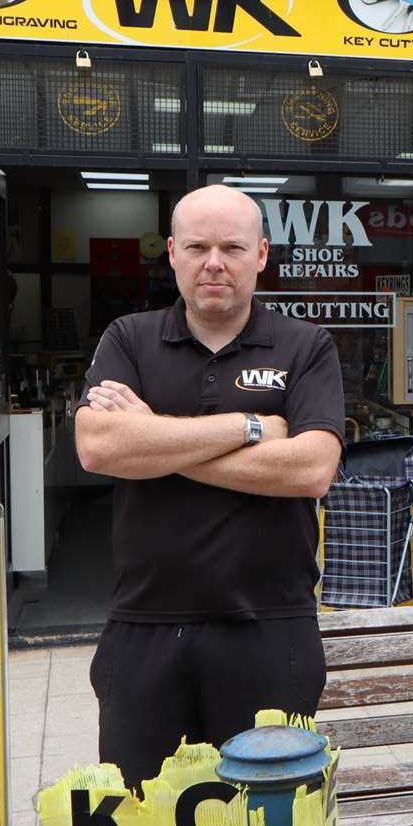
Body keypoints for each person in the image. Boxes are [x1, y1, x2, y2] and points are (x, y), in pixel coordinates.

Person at [75, 184, 343, 790]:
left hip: (270, 631)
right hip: (143, 629)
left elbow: (310, 470)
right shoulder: (129, 339)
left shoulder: (305, 347)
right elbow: (98, 447)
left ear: (262, 255)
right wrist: (249, 428)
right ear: (171, 252)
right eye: (197, 246)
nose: (213, 262)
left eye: (231, 247)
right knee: (142, 824)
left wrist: (154, 440)